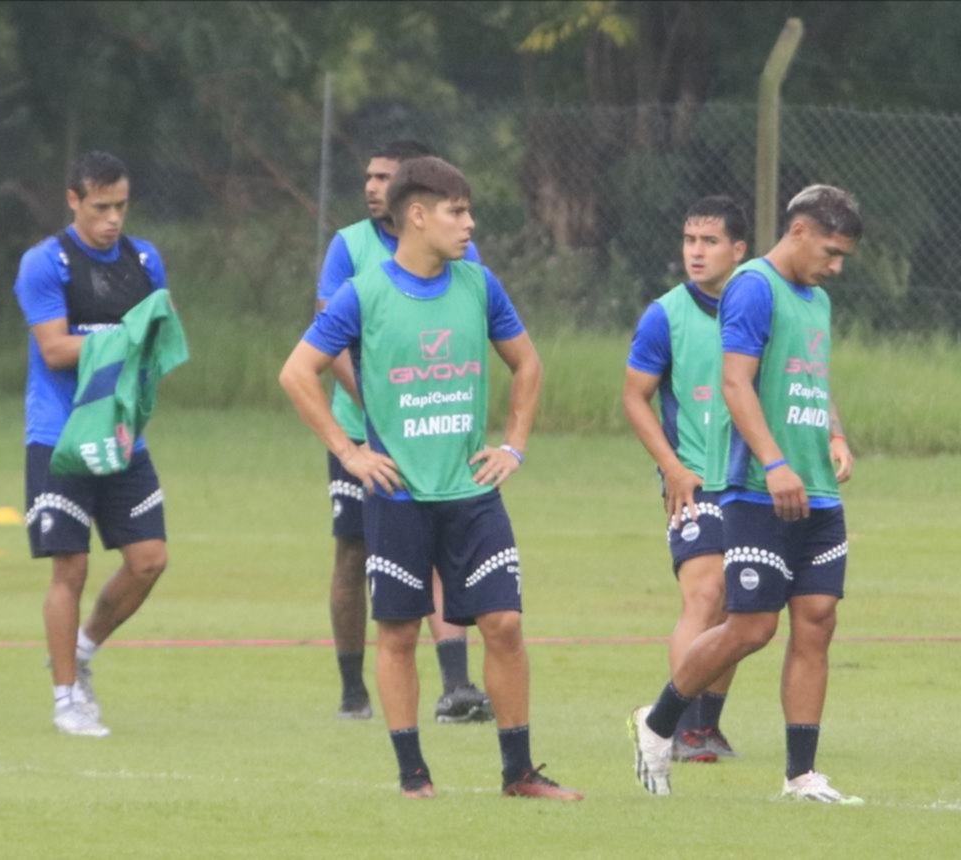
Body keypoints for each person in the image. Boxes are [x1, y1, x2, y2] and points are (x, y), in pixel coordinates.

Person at [281, 156, 581, 800]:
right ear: (417, 215)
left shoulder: (479, 284)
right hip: (399, 496)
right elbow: (296, 373)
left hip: (474, 493)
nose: (470, 224)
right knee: (397, 633)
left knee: (503, 624)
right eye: (457, 211)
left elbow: (526, 366)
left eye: (469, 211)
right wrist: (352, 451)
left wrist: (515, 446)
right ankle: (413, 775)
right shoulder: (365, 292)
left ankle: (519, 772)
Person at [629, 184, 863, 804]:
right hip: (759, 489)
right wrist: (775, 462)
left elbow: (807, 379)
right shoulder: (755, 286)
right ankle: (658, 724)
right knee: (751, 627)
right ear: (801, 232)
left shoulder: (816, 300)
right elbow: (736, 385)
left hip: (817, 493)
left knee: (817, 622)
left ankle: (800, 775)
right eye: (832, 251)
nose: (836, 266)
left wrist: (833, 437)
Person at [316, 140, 491, 723]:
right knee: (352, 551)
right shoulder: (350, 247)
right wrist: (375, 408)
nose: (373, 187)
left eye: (385, 177)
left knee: (440, 553)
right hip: (363, 436)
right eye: (368, 175)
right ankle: (350, 687)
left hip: (435, 436)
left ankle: (456, 685)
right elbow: (326, 338)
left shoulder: (457, 253)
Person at [14, 150, 170, 737]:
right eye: (100, 207)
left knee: (149, 559)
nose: (112, 219)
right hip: (59, 436)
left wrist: (146, 349)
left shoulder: (145, 259)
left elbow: (159, 332)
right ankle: (65, 701)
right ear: (73, 201)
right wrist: (125, 339)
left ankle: (78, 654)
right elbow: (55, 349)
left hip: (123, 435)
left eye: (121, 207)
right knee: (70, 568)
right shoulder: (44, 262)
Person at [623, 196, 747, 763]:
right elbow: (635, 397)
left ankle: (703, 729)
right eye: (689, 241)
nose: (695, 252)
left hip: (750, 480)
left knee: (738, 609)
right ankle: (674, 727)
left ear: (737, 250)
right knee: (705, 593)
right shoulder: (664, 314)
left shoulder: (759, 304)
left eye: (709, 242)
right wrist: (672, 467)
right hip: (693, 481)